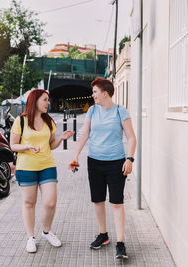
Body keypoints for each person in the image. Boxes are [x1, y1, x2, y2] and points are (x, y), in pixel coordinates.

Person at [70, 78, 136, 260]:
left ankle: (121, 243)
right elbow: (84, 134)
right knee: (98, 201)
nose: (93, 95)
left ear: (105, 93)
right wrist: (75, 155)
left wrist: (129, 159)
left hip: (116, 163)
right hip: (95, 162)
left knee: (116, 202)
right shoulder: (92, 111)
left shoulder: (120, 111)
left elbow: (131, 137)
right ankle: (103, 235)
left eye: (95, 92)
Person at [10, 89, 74, 253]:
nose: (48, 103)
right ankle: (31, 237)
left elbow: (51, 145)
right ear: (35, 101)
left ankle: (46, 231)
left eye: (48, 100)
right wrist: (27, 146)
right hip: (26, 167)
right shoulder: (21, 121)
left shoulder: (49, 121)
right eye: (45, 100)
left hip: (47, 165)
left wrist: (61, 138)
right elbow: (13, 145)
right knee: (29, 203)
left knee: (50, 202)